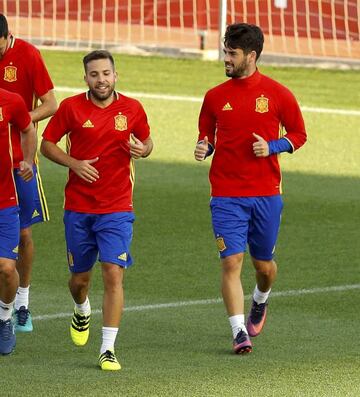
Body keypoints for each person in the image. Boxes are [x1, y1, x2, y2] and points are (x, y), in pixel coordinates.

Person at [194, 23, 307, 354]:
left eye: (232, 53)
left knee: (264, 267)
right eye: (225, 51)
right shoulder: (214, 96)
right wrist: (204, 147)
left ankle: (261, 299)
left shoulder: (278, 93)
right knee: (231, 262)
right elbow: (207, 136)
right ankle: (238, 330)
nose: (225, 58)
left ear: (251, 56)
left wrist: (272, 147)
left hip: (266, 194)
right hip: (226, 194)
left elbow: (299, 134)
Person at [41, 50, 153, 370]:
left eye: (106, 73)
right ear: (85, 78)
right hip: (79, 207)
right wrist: (73, 163)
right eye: (94, 74)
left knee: (113, 273)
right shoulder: (71, 108)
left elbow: (147, 142)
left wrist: (143, 150)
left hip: (117, 207)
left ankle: (107, 348)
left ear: (115, 75)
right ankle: (81, 309)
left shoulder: (132, 108)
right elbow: (47, 145)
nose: (101, 80)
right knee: (79, 280)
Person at [0, 14, 57, 333]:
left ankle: (22, 302)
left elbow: (51, 104)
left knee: (23, 234)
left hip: (20, 159)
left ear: (7, 37)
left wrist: (18, 117)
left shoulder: (28, 55)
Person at [0, 87, 37, 354]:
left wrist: (26, 160)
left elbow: (28, 128)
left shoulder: (11, 100)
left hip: (4, 200)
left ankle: (4, 318)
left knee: (6, 268)